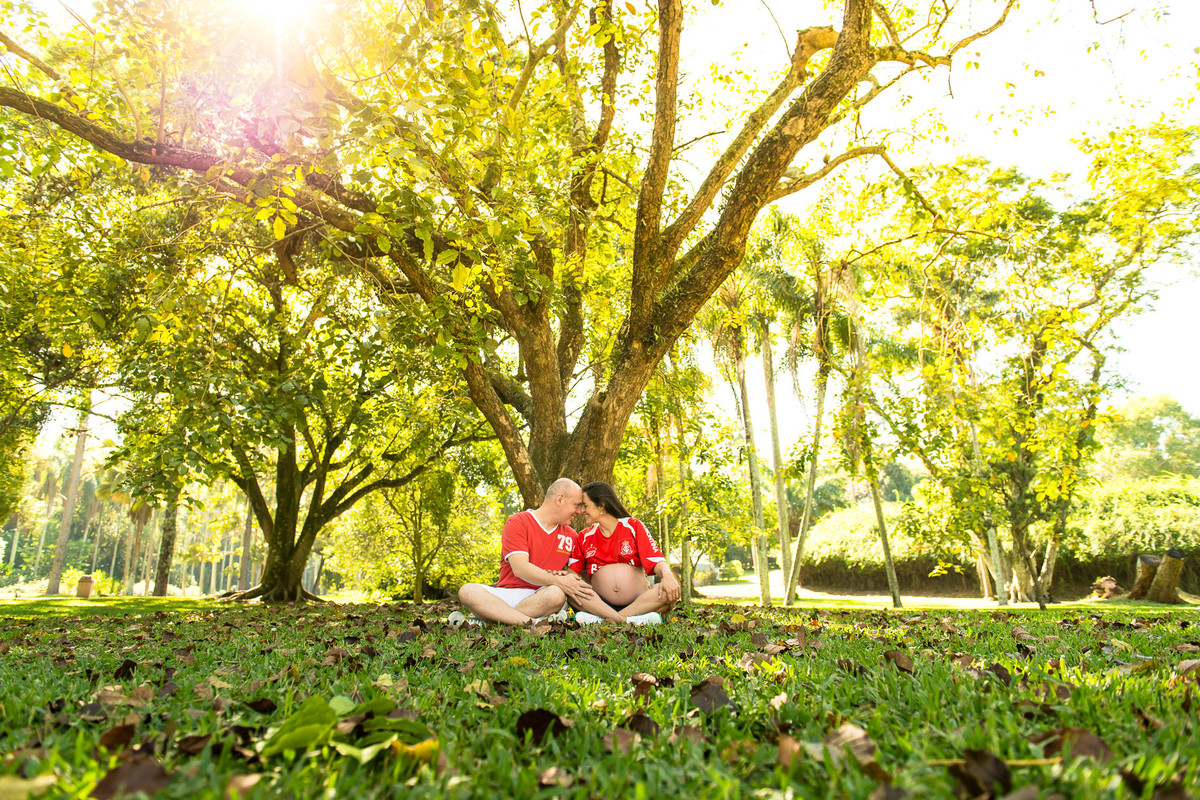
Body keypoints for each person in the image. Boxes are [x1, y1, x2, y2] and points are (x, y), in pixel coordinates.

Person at [453, 478, 598, 626]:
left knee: (556, 594)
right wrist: (559, 581)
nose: (580, 511)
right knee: (467, 591)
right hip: (508, 594)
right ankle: (533, 622)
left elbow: (583, 572)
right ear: (560, 499)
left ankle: (490, 619)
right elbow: (520, 568)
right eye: (576, 505)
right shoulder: (518, 522)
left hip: (541, 597)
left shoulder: (572, 536)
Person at [565, 481, 681, 625]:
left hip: (638, 603)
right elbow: (571, 574)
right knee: (570, 591)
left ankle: (607, 620)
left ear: (601, 505)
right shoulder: (584, 537)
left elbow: (656, 560)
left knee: (665, 591)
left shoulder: (633, 526)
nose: (582, 511)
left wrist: (668, 576)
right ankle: (627, 621)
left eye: (585, 505)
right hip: (599, 605)